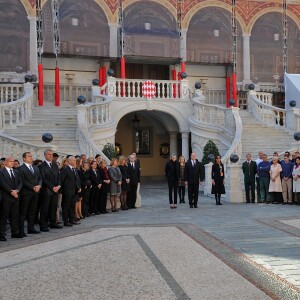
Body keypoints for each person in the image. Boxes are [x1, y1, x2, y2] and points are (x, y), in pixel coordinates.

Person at [19, 152, 42, 236]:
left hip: (35, 193)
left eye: (31, 156)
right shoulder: (21, 168)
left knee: (32, 211)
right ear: (24, 158)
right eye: (29, 156)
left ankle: (31, 228)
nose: (31, 157)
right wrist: (33, 187)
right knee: (23, 212)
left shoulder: (36, 167)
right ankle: (21, 230)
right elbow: (23, 181)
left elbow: (40, 178)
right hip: (26, 193)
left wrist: (39, 185)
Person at [39, 149, 62, 231]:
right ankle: (43, 225)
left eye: (52, 154)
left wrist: (59, 185)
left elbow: (59, 176)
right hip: (47, 190)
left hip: (56, 190)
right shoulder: (41, 166)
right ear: (45, 155)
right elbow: (43, 179)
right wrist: (52, 187)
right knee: (45, 208)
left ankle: (53, 223)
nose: (51, 156)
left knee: (53, 207)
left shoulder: (55, 165)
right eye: (49, 154)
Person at [0, 157, 23, 241]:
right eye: (10, 161)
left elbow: (21, 182)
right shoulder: (1, 172)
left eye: (13, 161)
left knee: (14, 215)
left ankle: (15, 232)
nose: (12, 163)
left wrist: (17, 190)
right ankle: (1, 234)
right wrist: (11, 191)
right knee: (4, 216)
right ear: (5, 162)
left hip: (16, 196)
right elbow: (2, 183)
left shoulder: (16, 171)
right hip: (6, 197)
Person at [60, 156, 81, 226]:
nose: (75, 162)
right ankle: (66, 221)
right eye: (74, 160)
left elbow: (76, 179)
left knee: (72, 206)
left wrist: (78, 187)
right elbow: (61, 180)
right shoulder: (65, 170)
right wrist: (63, 189)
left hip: (74, 191)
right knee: (66, 207)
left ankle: (72, 220)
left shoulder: (74, 169)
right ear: (70, 161)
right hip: (67, 192)